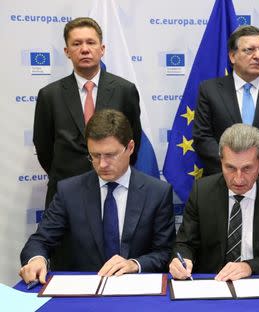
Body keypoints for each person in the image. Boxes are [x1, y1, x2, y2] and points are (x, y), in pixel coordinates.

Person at [20, 109, 175, 286]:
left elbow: (165, 252)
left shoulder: (157, 192)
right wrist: (36, 260)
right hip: (84, 293)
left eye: (110, 155)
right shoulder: (69, 191)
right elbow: (40, 240)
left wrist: (134, 264)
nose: (102, 164)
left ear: (130, 148)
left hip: (135, 290)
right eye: (94, 155)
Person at [33, 17, 142, 208]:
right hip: (64, 192)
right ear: (67, 52)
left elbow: (134, 141)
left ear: (102, 49)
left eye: (91, 42)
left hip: (113, 188)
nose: (84, 49)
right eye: (77, 43)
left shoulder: (125, 90)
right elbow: (43, 147)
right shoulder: (49, 95)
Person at [170, 124, 259, 281]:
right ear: (221, 161)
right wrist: (182, 260)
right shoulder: (201, 192)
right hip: (212, 285)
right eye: (230, 168)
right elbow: (185, 244)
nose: (238, 178)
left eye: (247, 169)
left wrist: (249, 266)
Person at [193, 25, 259, 184]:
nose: (258, 56)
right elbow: (202, 137)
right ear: (232, 56)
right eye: (249, 50)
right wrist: (232, 170)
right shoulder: (209, 90)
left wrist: (254, 173)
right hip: (220, 182)